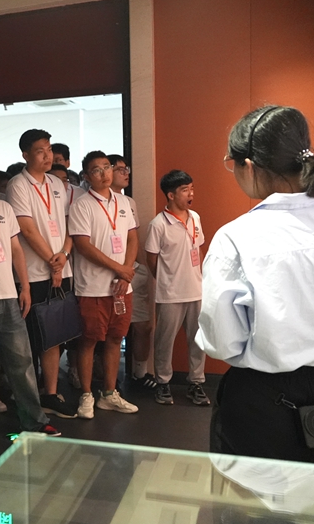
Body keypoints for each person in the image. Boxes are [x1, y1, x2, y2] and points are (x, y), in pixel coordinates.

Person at [197, 105, 314, 467]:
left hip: (260, 396)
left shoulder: (235, 238)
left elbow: (222, 341)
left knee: (252, 494)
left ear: (249, 166)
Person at [0, 150, 60, 438]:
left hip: (7, 295)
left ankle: (34, 419)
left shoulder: (3, 207)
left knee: (22, 361)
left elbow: (16, 249)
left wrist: (24, 286)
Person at [5, 129, 79, 418]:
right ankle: (27, 395)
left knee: (55, 334)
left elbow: (70, 223)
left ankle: (50, 392)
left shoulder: (57, 184)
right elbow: (26, 228)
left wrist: (64, 255)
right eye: (40, 151)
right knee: (30, 337)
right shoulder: (18, 185)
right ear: (25, 155)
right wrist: (51, 260)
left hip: (61, 267)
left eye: (49, 149)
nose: (47, 156)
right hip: (34, 273)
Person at [68, 151, 140, 418]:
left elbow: (132, 238)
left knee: (115, 338)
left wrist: (125, 273)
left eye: (107, 167)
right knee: (89, 340)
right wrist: (119, 269)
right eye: (96, 170)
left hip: (122, 287)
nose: (104, 174)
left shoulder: (124, 202)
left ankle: (109, 394)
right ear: (87, 177)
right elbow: (83, 246)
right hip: (93, 287)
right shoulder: (82, 205)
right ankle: (86, 394)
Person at [144, 170, 209, 406]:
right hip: (170, 293)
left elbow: (198, 249)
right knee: (165, 340)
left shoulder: (195, 218)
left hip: (196, 290)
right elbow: (151, 258)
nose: (191, 194)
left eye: (191, 188)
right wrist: (166, 280)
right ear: (171, 195)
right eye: (184, 190)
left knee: (198, 340)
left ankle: (196, 382)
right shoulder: (158, 224)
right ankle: (163, 383)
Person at [109, 154, 159, 392]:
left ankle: (139, 374)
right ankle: (106, 380)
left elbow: (133, 237)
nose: (125, 173)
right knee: (110, 331)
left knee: (143, 326)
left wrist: (137, 267)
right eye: (119, 169)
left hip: (132, 270)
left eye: (126, 168)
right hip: (108, 273)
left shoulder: (129, 202)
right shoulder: (89, 202)